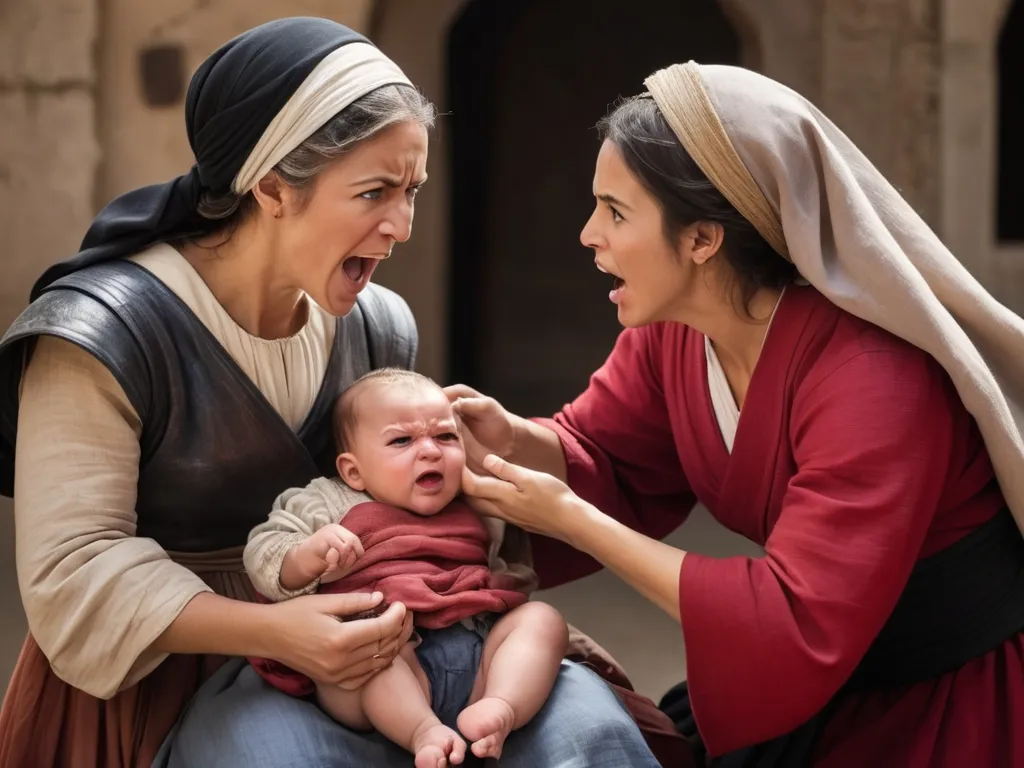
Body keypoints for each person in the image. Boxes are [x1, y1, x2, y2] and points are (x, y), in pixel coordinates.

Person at [0, 17, 669, 768]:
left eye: (411, 190)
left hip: (400, 645)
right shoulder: (100, 333)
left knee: (592, 738)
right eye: (376, 191)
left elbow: (423, 515)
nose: (404, 225)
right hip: (168, 668)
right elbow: (74, 574)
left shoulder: (379, 325)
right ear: (272, 187)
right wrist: (279, 631)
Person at [450, 62, 1024, 768]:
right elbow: (606, 457)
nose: (588, 234)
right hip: (817, 685)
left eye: (616, 211)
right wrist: (511, 437)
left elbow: (795, 617)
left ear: (702, 239)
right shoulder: (676, 333)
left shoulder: (876, 378)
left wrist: (572, 518)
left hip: (950, 701)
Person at [244, 368, 569, 767]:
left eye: (446, 436)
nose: (431, 451)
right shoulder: (327, 502)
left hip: (473, 654)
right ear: (353, 471)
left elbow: (506, 570)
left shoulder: (474, 502)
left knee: (543, 619)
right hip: (381, 660)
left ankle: (501, 706)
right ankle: (423, 731)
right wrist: (307, 555)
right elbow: (263, 554)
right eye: (402, 440)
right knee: (371, 654)